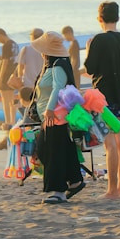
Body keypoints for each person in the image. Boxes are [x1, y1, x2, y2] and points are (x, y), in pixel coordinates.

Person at [84, 1, 120, 199]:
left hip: (101, 98)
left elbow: (90, 69)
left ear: (100, 19)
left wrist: (89, 47)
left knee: (110, 144)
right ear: (118, 17)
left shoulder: (98, 40)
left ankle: (112, 189)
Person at [31, 31, 84, 204]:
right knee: (60, 149)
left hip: (56, 116)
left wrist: (49, 109)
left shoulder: (59, 65)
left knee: (51, 151)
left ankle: (58, 191)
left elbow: (57, 87)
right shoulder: (51, 66)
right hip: (53, 116)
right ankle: (75, 180)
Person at [0, 28, 19, 130]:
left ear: (0, 35)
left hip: (6, 75)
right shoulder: (14, 44)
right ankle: (12, 122)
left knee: (5, 100)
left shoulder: (6, 46)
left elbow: (5, 62)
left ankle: (7, 122)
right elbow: (13, 58)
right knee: (11, 100)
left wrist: (0, 76)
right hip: (13, 74)